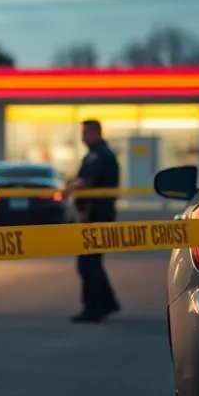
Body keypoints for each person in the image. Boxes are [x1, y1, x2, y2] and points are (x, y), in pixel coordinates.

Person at [65, 119, 121, 323]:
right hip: (94, 213)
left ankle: (94, 308)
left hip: (97, 214)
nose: (82, 138)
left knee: (88, 263)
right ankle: (107, 302)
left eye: (85, 133)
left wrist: (67, 190)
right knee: (92, 262)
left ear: (95, 133)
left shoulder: (99, 155)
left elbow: (85, 182)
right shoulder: (97, 154)